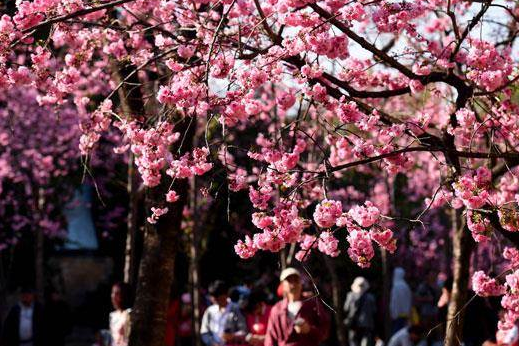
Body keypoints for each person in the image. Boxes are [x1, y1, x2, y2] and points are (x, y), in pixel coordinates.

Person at [264, 267, 330, 346]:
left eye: (296, 280)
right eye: (289, 281)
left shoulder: (312, 304)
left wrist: (309, 330)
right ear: (282, 285)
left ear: (301, 283)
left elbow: (325, 331)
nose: (293, 284)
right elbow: (270, 338)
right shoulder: (277, 309)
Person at [437, 277, 497, 346]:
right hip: (480, 336)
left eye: (444, 292)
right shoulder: (474, 296)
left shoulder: (468, 301)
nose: (443, 295)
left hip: (473, 337)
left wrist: (440, 307)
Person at [200, 280, 247, 346]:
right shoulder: (209, 311)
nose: (217, 302)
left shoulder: (236, 309)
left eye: (219, 299)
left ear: (226, 295)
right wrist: (213, 343)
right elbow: (204, 332)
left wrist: (232, 336)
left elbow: (244, 331)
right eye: (214, 300)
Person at [343, 277, 377, 346]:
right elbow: (374, 311)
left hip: (354, 323)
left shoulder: (350, 296)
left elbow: (346, 308)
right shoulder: (370, 297)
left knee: (353, 341)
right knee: (365, 342)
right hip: (367, 323)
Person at [390, 267, 412, 335]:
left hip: (398, 315)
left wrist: (393, 314)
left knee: (397, 334)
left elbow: (394, 301)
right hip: (406, 314)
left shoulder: (396, 286)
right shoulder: (406, 286)